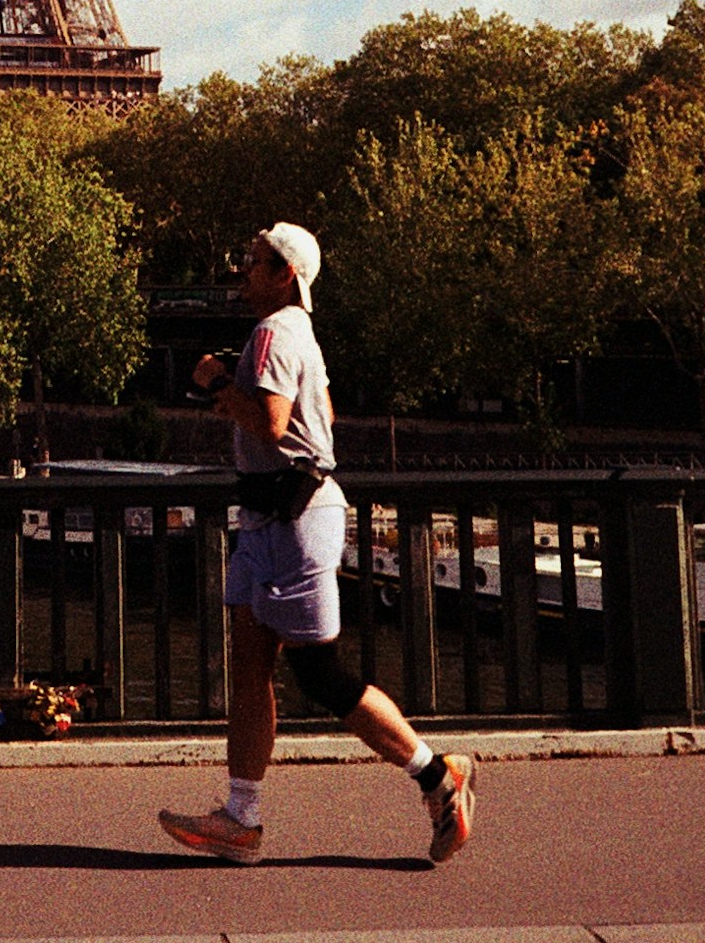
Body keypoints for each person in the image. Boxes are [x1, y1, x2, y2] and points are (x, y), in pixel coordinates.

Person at [158, 223, 476, 867]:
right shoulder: (298, 332)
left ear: (284, 275)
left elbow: (275, 427)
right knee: (250, 662)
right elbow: (323, 415)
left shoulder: (275, 332)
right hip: (272, 519)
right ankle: (239, 817)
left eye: (255, 263)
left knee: (321, 674)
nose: (245, 271)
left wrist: (219, 385)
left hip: (292, 521)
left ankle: (439, 778)